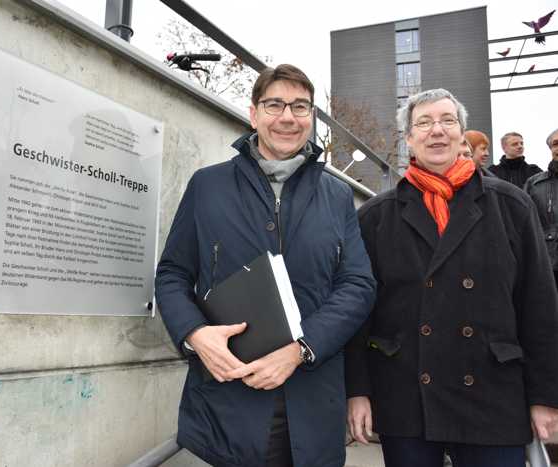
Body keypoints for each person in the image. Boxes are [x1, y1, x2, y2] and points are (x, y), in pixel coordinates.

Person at [155, 64, 376, 467]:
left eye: (300, 106)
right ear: (253, 114)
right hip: (230, 398)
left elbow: (358, 284)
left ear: (311, 119)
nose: (288, 117)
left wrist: (301, 349)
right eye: (274, 104)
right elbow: (173, 274)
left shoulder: (337, 196)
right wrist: (195, 334)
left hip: (312, 396)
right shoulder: (207, 185)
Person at [345, 88, 558, 467]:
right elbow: (359, 314)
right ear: (408, 138)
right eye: (423, 123)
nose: (436, 131)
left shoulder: (511, 205)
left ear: (462, 133)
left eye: (447, 121)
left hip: (494, 394)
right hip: (407, 397)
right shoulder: (376, 217)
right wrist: (358, 391)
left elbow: (539, 306)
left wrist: (545, 397)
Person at [524, 128, 558, 285]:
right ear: (550, 149)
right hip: (548, 264)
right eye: (555, 144)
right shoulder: (534, 184)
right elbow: (524, 223)